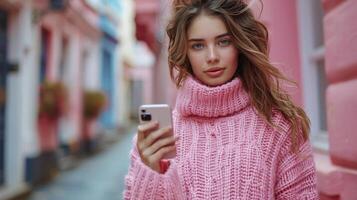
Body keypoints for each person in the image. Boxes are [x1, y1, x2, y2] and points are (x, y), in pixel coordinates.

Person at [123, 0, 318, 199]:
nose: (212, 56)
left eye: (223, 41)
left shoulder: (279, 127)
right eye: (198, 45)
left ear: (239, 45)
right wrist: (150, 173)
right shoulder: (157, 139)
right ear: (186, 52)